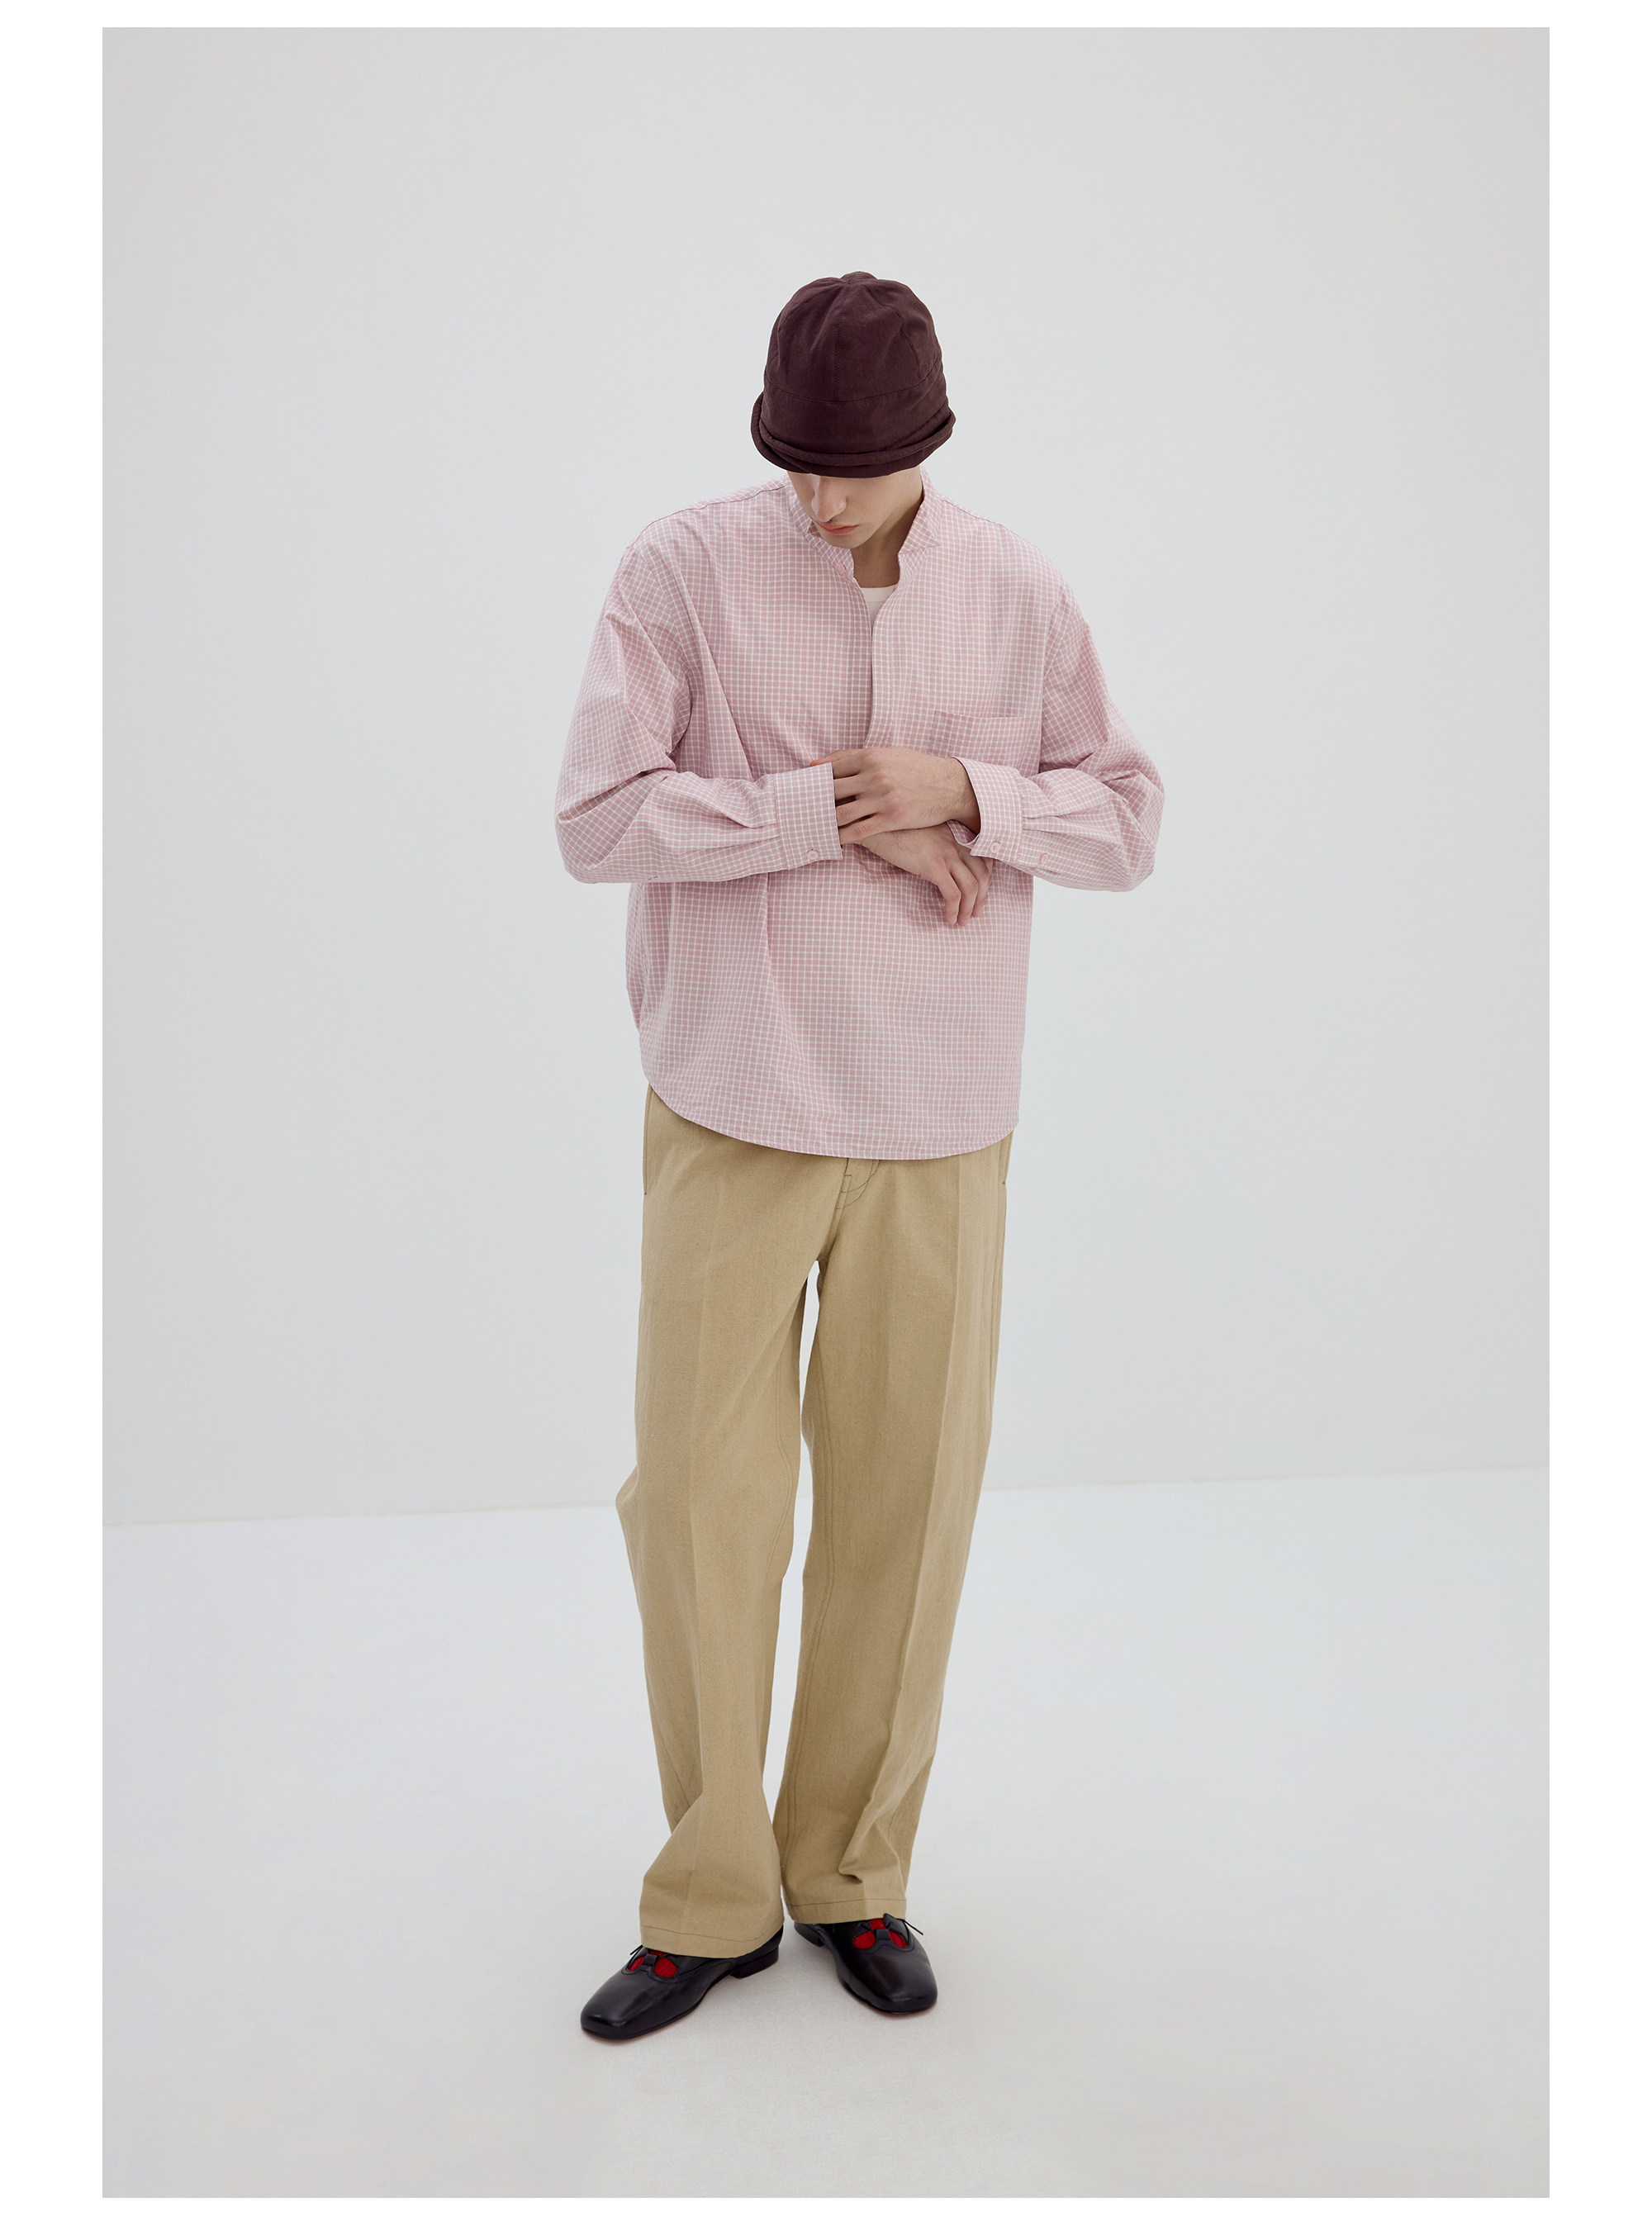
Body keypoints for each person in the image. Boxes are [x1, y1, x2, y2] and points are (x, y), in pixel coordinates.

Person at [557, 272, 1164, 2040]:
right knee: (697, 1504)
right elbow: (596, 817)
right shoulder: (679, 569)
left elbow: (1127, 816)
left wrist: (960, 791)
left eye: (857, 467)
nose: (822, 498)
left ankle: (851, 1873)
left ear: (928, 443)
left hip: (937, 1115)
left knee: (908, 1504)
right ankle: (711, 1892)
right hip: (732, 1096)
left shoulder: (1017, 588)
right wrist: (834, 809)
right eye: (797, 461)